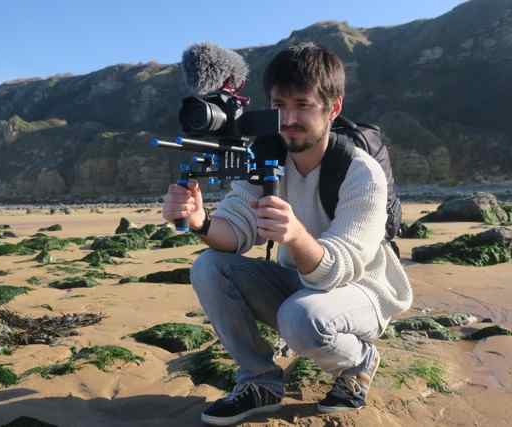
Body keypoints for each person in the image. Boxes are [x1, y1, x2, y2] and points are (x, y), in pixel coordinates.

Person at [162, 42, 413, 426]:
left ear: (333, 108)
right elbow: (236, 229)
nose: (289, 118)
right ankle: (259, 382)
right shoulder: (269, 156)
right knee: (209, 267)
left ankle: (359, 361)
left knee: (301, 318)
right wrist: (201, 221)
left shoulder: (360, 171)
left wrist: (295, 235)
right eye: (279, 105)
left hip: (364, 290)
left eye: (303, 105)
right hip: (301, 283)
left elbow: (342, 267)